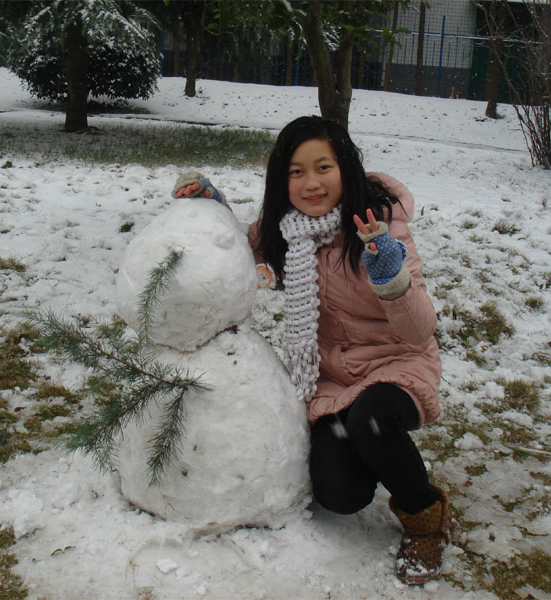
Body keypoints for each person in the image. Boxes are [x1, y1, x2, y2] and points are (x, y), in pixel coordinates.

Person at [172, 115, 462, 585]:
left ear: (345, 167)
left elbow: (419, 331)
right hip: (330, 380)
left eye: (323, 167)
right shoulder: (286, 230)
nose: (311, 183)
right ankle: (368, 448)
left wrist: (392, 277)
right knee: (340, 495)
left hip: (395, 365)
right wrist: (211, 209)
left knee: (371, 421)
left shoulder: (378, 223)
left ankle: (424, 516)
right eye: (296, 171)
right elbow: (247, 247)